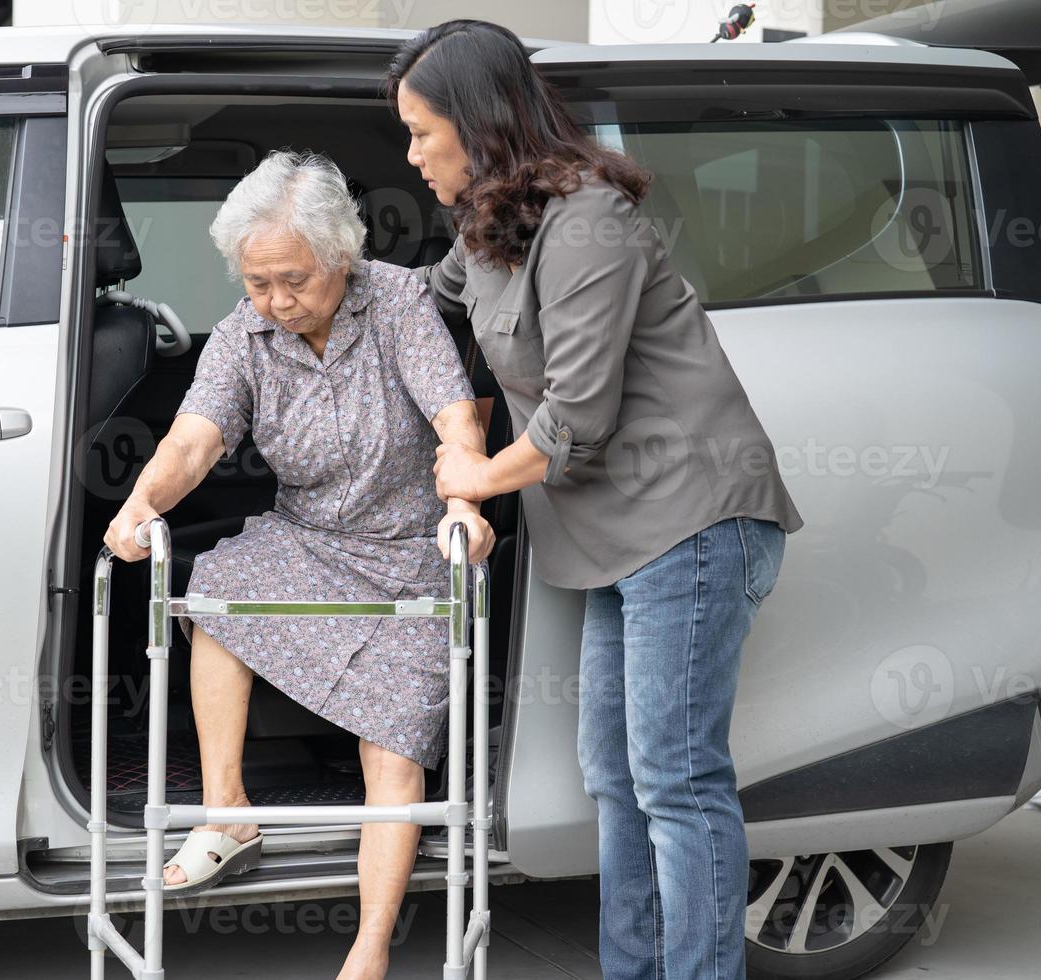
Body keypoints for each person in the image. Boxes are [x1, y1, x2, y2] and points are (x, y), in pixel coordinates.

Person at [387, 20, 805, 980]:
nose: (410, 156)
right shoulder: (491, 226)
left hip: (690, 519)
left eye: (421, 132)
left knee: (676, 779)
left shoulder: (587, 222)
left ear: (480, 124)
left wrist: (478, 477)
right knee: (617, 781)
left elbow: (579, 413)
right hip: (613, 537)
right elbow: (422, 298)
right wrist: (305, 285)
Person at [103, 149, 493, 980]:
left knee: (392, 747)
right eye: (257, 283)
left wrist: (466, 500)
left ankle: (368, 950)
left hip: (408, 550)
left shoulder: (396, 302)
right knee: (216, 591)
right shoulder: (246, 337)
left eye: (294, 280)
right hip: (308, 538)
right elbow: (194, 438)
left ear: (341, 258)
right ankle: (227, 812)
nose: (276, 302)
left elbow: (456, 415)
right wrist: (144, 503)